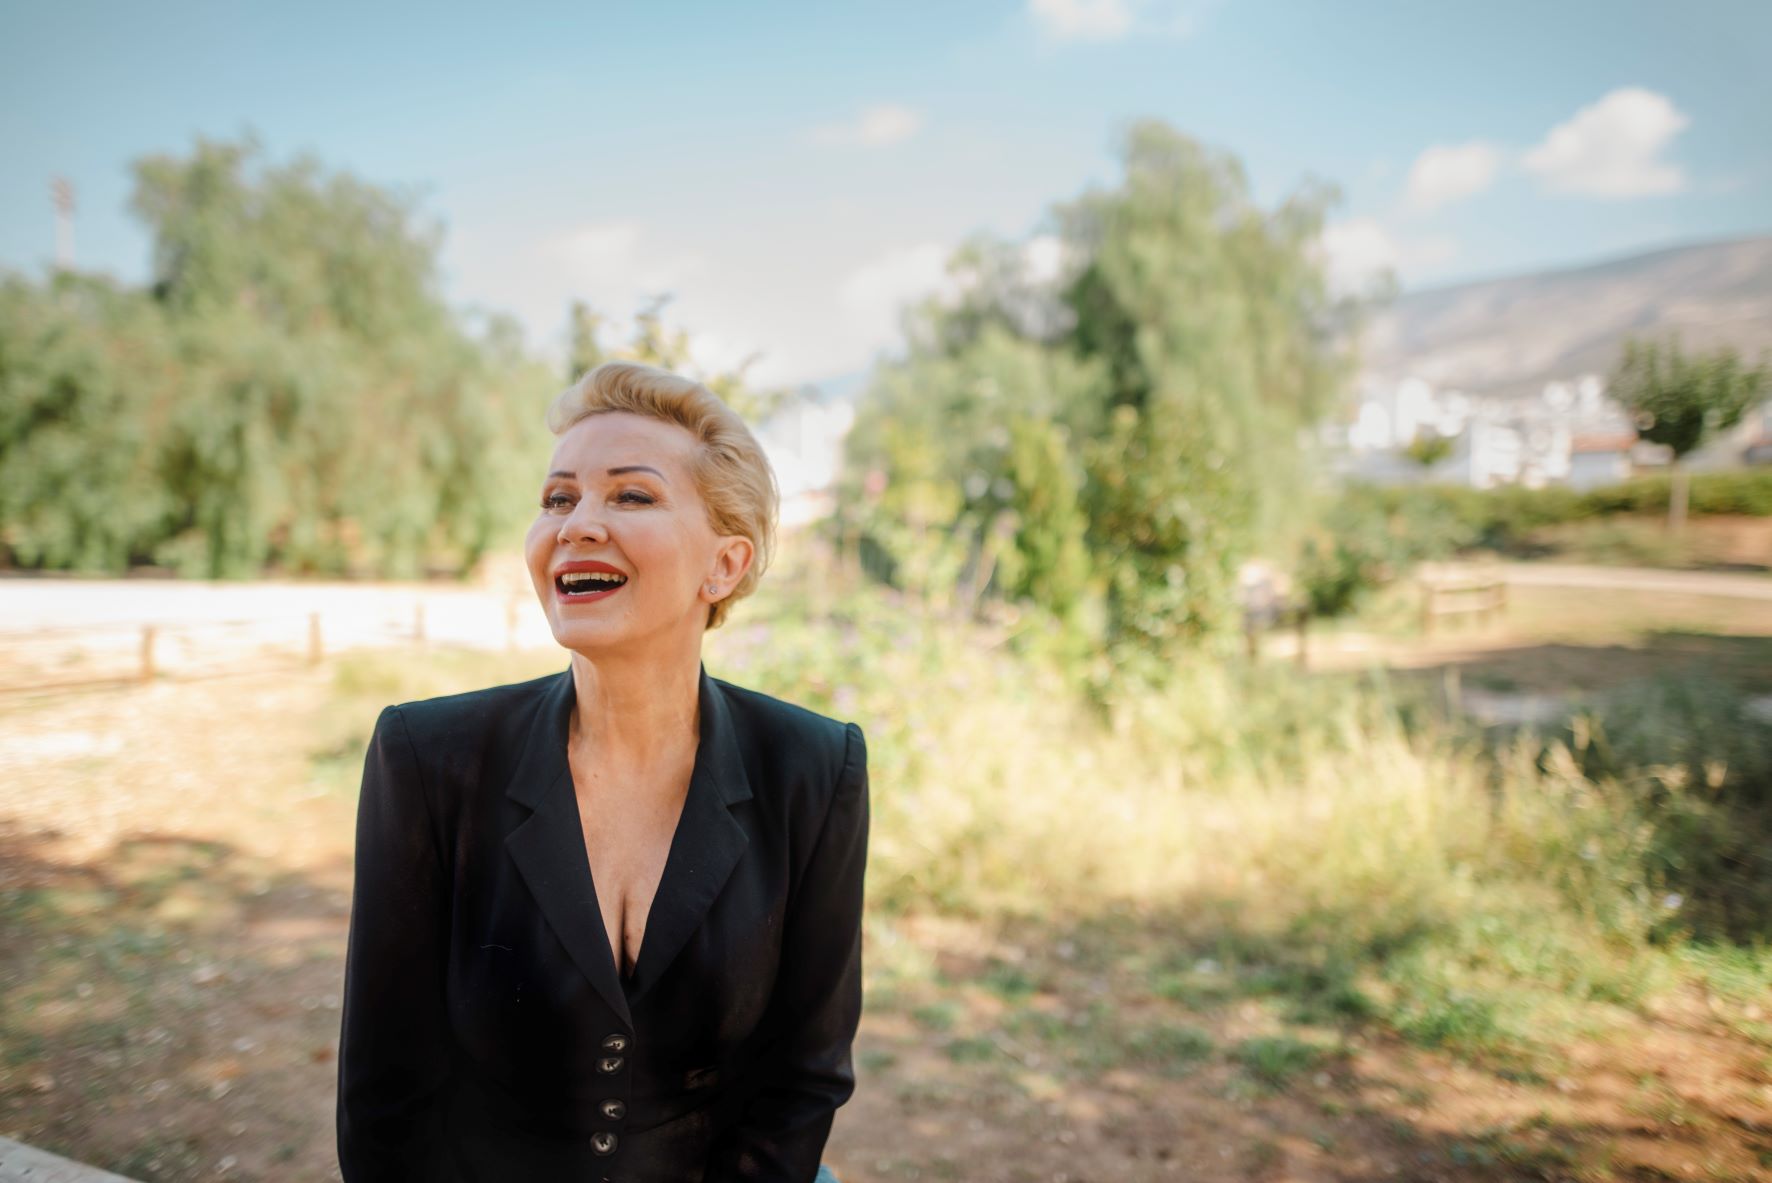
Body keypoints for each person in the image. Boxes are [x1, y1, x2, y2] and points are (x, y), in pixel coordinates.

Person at [336, 361, 868, 1182]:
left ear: (725, 564)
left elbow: (804, 1074)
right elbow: (386, 1093)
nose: (577, 524)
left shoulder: (814, 767)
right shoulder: (425, 756)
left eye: (631, 495)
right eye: (558, 498)